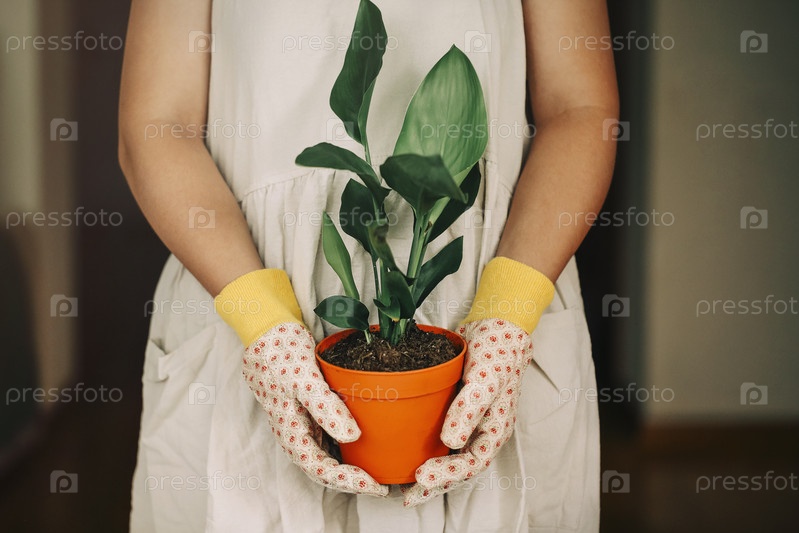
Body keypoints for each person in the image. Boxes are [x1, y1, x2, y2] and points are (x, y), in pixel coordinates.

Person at [118, 0, 618, 531]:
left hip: (498, 290)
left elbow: (581, 109)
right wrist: (259, 319)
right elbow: (156, 125)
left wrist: (510, 309)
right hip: (236, 282)